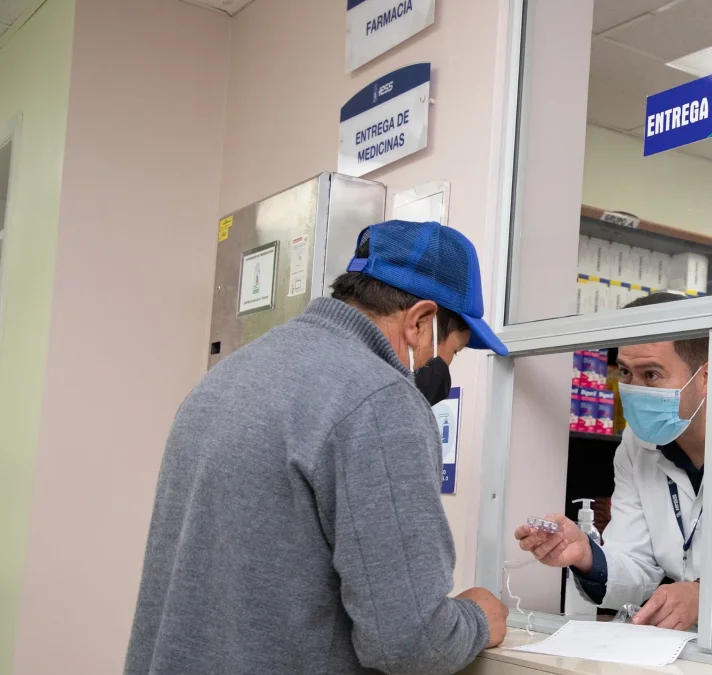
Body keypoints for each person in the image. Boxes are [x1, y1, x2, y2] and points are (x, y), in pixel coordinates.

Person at [125, 221, 509, 675]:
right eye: (451, 352)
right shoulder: (381, 400)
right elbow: (412, 643)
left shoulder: (229, 376)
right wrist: (481, 616)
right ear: (421, 322)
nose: (440, 369)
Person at [514, 292, 712, 631]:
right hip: (685, 647)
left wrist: (707, 595)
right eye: (625, 371)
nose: (633, 389)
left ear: (707, 376)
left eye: (651, 374)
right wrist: (584, 555)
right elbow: (637, 565)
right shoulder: (637, 443)